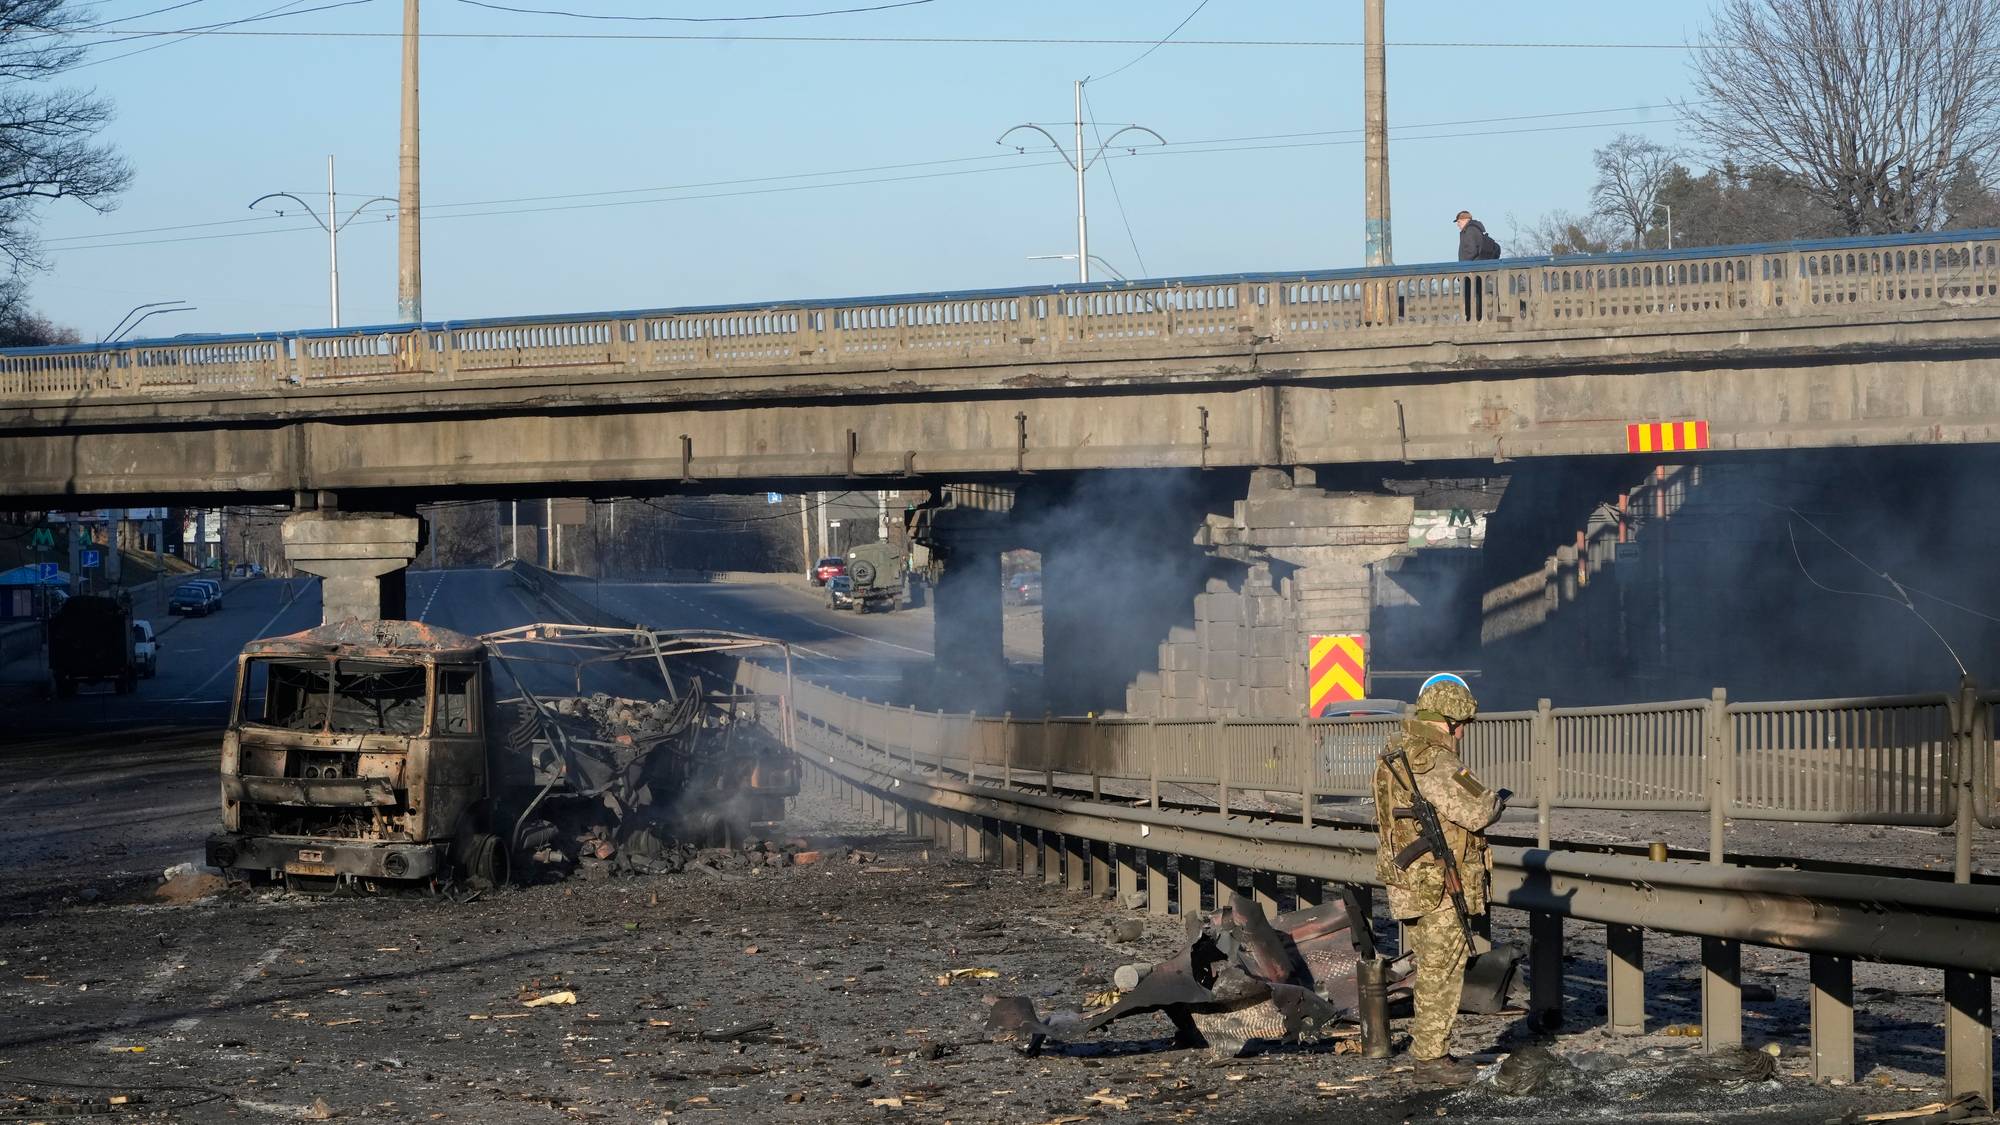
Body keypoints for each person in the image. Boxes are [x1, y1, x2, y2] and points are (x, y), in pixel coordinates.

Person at [1372, 672, 1502, 1085]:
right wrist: (1496, 800)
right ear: (1448, 719)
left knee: (1433, 964)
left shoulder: (1397, 750)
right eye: (1460, 724)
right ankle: (1430, 1059)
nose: (1462, 734)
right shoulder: (1435, 759)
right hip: (1438, 883)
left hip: (1413, 877)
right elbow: (1477, 811)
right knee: (1442, 968)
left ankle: (1429, 1051)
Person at [1455, 211, 1500, 322]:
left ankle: (1473, 317)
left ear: (1465, 219)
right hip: (1476, 268)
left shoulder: (1470, 230)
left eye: (1459, 221)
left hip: (1471, 269)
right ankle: (1475, 317)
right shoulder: (1474, 229)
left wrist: (1463, 267)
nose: (1457, 224)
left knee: (1471, 295)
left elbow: (1471, 251)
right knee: (1476, 293)